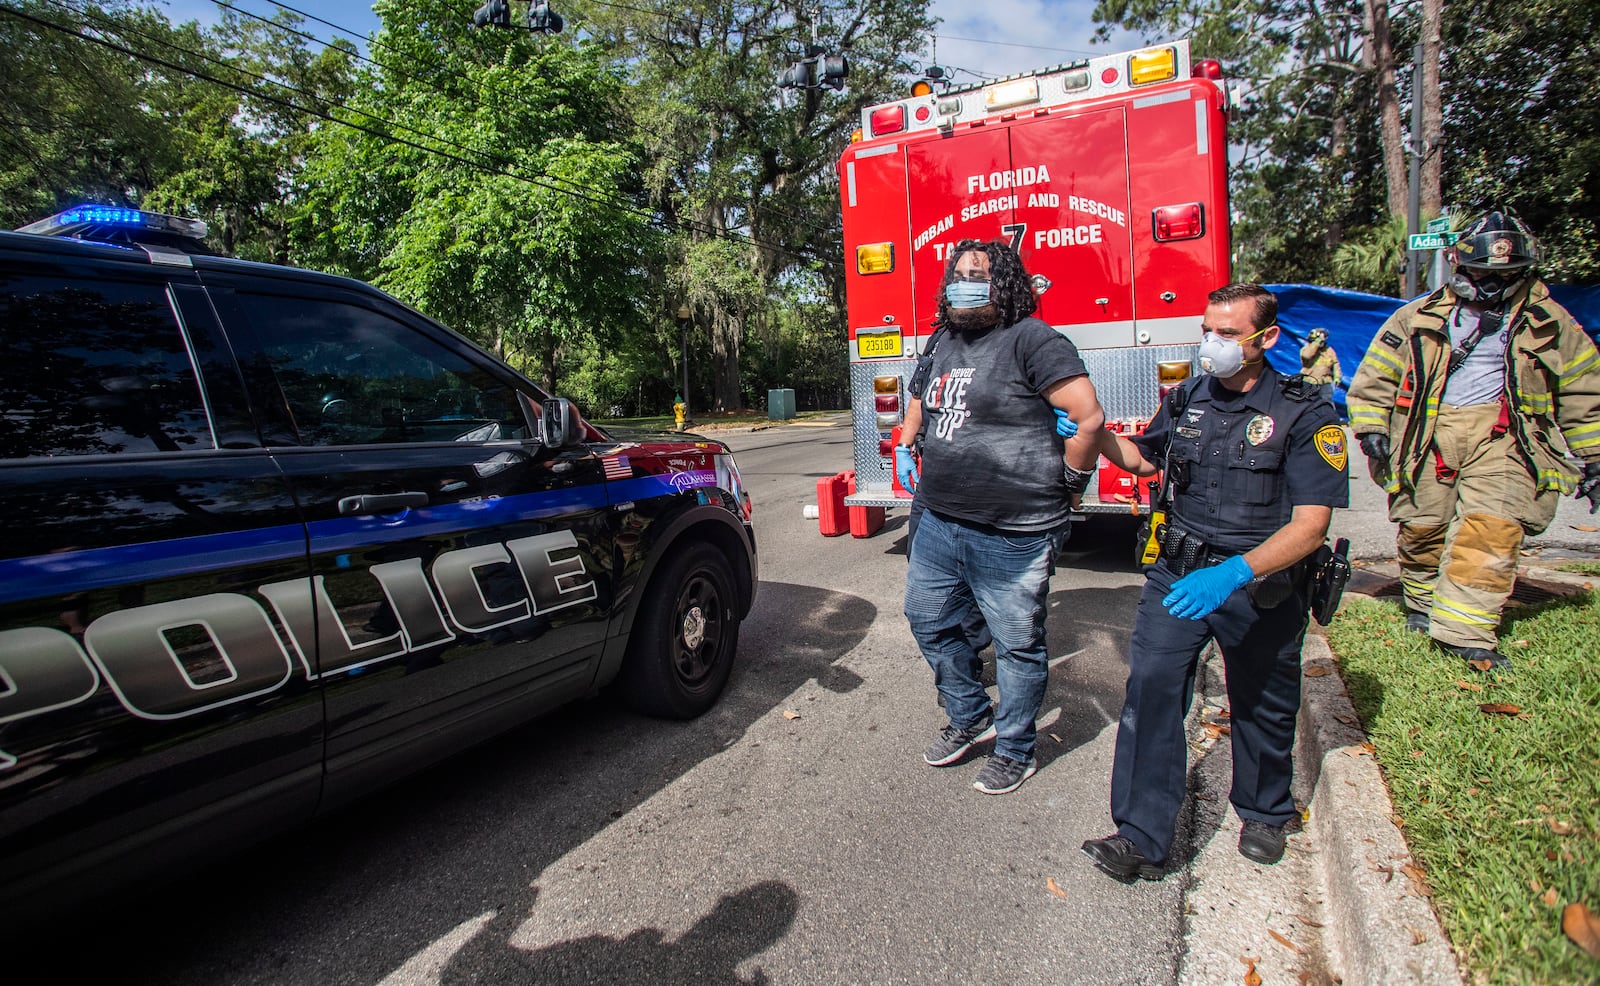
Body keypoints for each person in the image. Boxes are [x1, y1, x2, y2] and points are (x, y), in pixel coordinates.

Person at [1075, 282, 1349, 880]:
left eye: (1227, 333)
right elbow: (1145, 459)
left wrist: (1234, 573)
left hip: (1259, 582)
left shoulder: (1306, 412)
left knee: (1263, 701)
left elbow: (1310, 527)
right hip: (1180, 573)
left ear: (1266, 338)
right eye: (1207, 330)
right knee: (1150, 690)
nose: (1212, 343)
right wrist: (1093, 433)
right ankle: (1141, 837)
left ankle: (1264, 810)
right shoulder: (1187, 398)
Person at [1347, 210, 1600, 669]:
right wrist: (1370, 427)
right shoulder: (1415, 318)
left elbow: (1583, 391)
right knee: (1423, 527)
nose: (1490, 283)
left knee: (1493, 528)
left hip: (1506, 437)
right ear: (1459, 266)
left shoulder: (1551, 323)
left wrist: (1594, 456)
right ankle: (1423, 601)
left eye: (1504, 275)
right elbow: (1375, 377)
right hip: (1427, 436)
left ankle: (1465, 632)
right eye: (1482, 272)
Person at [904, 238, 1109, 796]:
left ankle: (1016, 747)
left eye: (980, 275)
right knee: (926, 619)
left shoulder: (1032, 340)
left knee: (1016, 644)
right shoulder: (943, 339)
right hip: (941, 520)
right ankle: (969, 713)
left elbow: (1087, 418)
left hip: (1016, 530)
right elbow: (920, 396)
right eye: (959, 274)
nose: (965, 283)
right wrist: (906, 440)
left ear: (1007, 285)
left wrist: (1072, 481)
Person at [1299, 327, 1341, 395]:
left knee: (1325, 402)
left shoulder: (1329, 350)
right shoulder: (1305, 349)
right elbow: (1307, 356)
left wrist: (1337, 377)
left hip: (1325, 383)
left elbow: (1336, 363)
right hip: (1309, 382)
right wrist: (1318, 341)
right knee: (1307, 402)